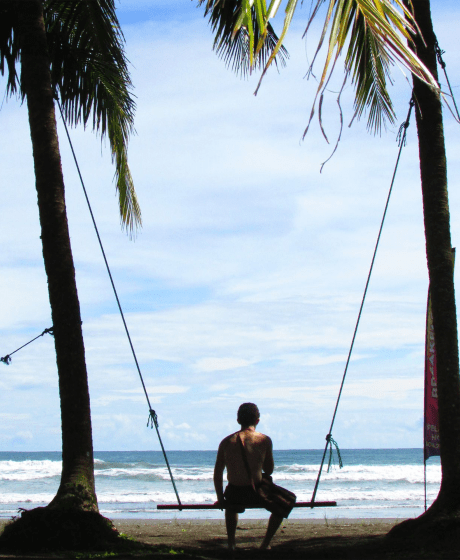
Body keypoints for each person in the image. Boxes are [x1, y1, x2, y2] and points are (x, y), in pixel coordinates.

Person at [214, 403, 294, 551]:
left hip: (234, 494)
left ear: (238, 420)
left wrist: (220, 498)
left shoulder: (226, 442)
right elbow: (268, 470)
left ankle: (231, 543)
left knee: (230, 504)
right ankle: (265, 543)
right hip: (256, 493)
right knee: (286, 501)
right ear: (257, 420)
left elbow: (217, 473)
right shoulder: (264, 440)